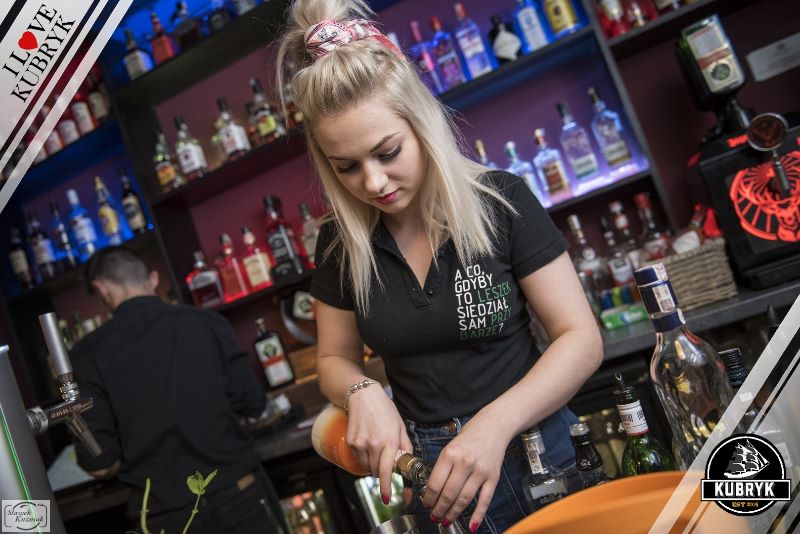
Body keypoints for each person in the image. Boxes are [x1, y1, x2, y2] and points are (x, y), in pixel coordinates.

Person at [276, 1, 604, 532]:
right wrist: (363, 392)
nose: (373, 182)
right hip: (430, 475)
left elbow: (580, 339)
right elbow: (334, 358)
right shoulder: (340, 243)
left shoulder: (501, 201)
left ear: (423, 125)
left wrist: (493, 425)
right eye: (347, 167)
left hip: (539, 454)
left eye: (388, 152)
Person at [71, 246, 283, 533]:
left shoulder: (85, 355)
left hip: (165, 514)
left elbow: (99, 464)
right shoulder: (207, 322)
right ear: (153, 279)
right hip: (236, 491)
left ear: (101, 289)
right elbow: (253, 403)